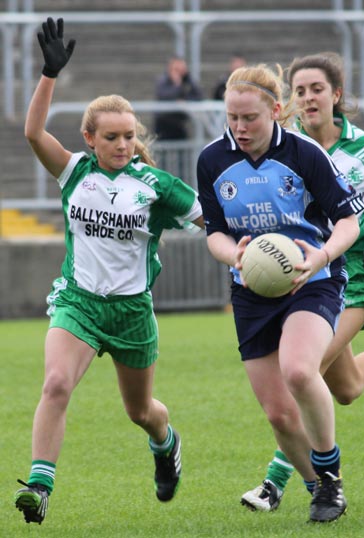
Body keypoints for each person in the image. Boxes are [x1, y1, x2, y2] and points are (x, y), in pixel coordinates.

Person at [14, 18, 203, 525]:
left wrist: (247, 247)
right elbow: (32, 132)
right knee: (55, 385)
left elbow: (214, 222)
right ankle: (40, 486)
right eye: (111, 137)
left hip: (132, 312)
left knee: (141, 413)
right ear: (90, 138)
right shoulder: (75, 172)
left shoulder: (157, 185)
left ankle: (166, 445)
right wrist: (49, 74)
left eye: (128, 136)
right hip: (78, 302)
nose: (122, 144)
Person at [241, 51, 364, 512]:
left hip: (356, 273)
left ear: (336, 95)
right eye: (299, 91)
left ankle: (276, 483)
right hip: (307, 272)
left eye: (316, 89)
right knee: (344, 389)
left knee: (306, 370)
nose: (307, 98)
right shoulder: (288, 145)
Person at [197, 63, 360, 523]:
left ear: (274, 110)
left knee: (299, 371)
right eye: (231, 117)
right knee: (279, 415)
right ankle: (318, 488)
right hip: (251, 290)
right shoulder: (212, 159)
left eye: (249, 118)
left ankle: (332, 477)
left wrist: (322, 257)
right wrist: (236, 256)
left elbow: (348, 221)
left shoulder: (305, 154)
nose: (239, 127)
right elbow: (214, 233)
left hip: (312, 279)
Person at [154, 55, 203, 140]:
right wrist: (177, 84)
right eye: (176, 69)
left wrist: (186, 101)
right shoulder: (163, 80)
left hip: (179, 124)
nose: (179, 72)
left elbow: (198, 96)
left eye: (182, 68)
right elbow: (164, 96)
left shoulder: (187, 80)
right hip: (164, 124)